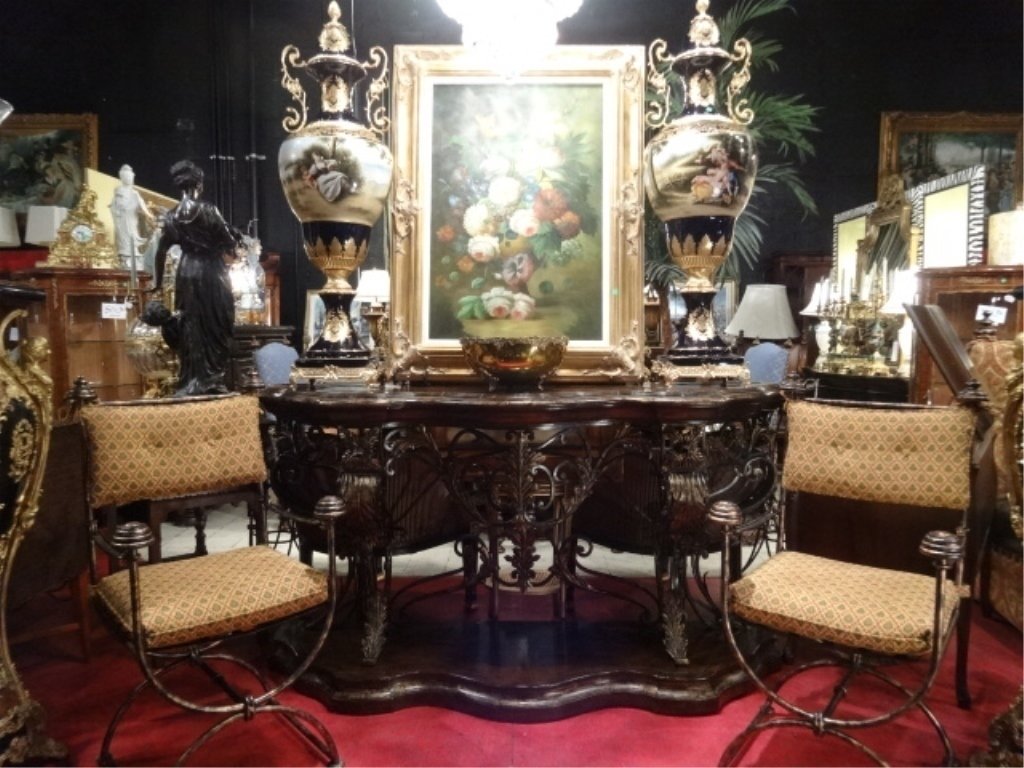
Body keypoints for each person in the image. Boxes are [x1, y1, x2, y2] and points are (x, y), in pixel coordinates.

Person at [143, 160, 235, 396]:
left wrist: (158, 283)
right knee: (217, 323)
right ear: (199, 185)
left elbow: (161, 251)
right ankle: (211, 379)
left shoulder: (172, 216)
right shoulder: (207, 210)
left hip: (186, 272)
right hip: (211, 272)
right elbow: (229, 243)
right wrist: (233, 240)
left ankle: (191, 379)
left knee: (190, 323)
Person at [109, 164, 155, 270]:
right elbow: (116, 207)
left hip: (131, 220)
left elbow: (143, 208)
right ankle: (125, 259)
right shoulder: (119, 190)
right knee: (125, 240)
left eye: (130, 177)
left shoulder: (135, 193)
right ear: (122, 178)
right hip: (123, 220)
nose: (129, 179)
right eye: (126, 177)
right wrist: (124, 208)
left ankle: (135, 259)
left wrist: (149, 216)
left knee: (133, 235)